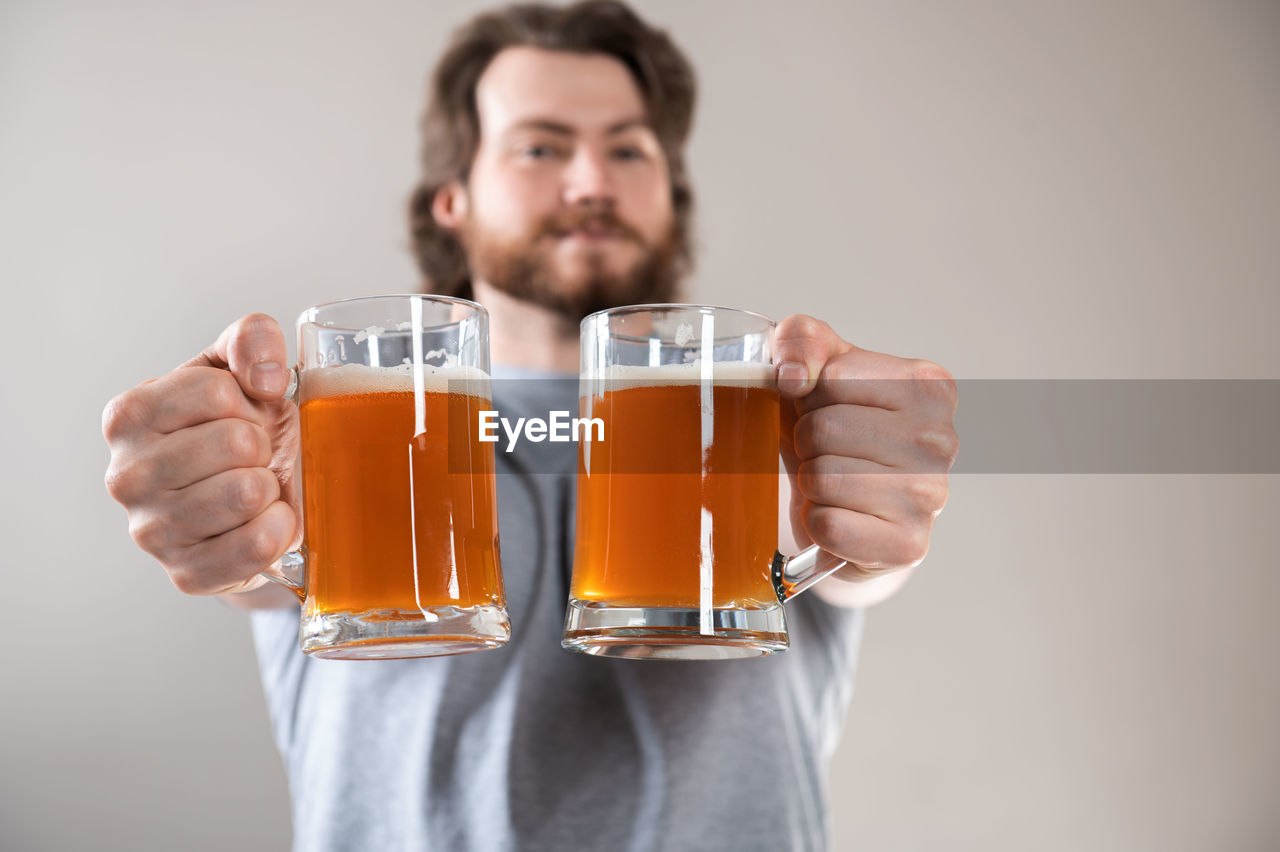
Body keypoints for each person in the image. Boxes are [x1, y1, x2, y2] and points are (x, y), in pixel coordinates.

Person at [102, 2, 958, 850]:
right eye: (540, 147)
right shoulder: (331, 425)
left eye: (629, 148)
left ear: (671, 189)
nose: (592, 182)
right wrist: (220, 491)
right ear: (453, 199)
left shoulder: (753, 416)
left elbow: (850, 559)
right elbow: (257, 568)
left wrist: (875, 507)